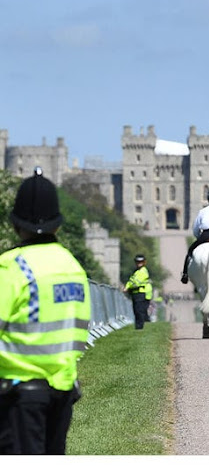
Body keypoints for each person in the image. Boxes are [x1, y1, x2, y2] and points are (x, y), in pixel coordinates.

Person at [0, 167, 90, 454]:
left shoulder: (11, 267)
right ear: (57, 225)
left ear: (16, 224)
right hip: (62, 392)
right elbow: (79, 331)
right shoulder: (72, 267)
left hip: (17, 397)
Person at [124, 254, 152, 329]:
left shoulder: (143, 271)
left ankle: (140, 327)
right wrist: (127, 287)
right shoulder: (136, 271)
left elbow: (136, 282)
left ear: (144, 262)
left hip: (141, 293)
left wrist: (128, 287)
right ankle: (139, 326)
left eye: (141, 262)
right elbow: (131, 280)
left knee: (139, 311)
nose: (139, 263)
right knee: (137, 311)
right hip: (135, 293)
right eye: (137, 262)